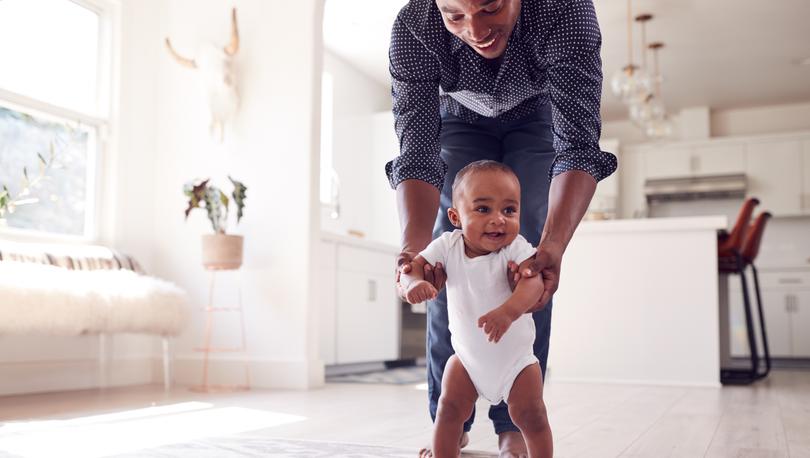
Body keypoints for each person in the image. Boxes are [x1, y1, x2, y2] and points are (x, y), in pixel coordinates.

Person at [385, 0, 617, 456]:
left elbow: (577, 144)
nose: (475, 29)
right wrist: (412, 257)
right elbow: (417, 154)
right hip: (457, 120)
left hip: (538, 115)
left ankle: (514, 421)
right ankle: (450, 418)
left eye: (489, 8)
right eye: (455, 15)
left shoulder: (564, 11)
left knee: (526, 254)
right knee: (446, 258)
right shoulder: (414, 27)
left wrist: (552, 246)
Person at [401, 160, 552, 458]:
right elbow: (412, 266)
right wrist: (411, 284)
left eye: (509, 210)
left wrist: (508, 311)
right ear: (456, 217)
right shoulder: (447, 245)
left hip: (516, 362)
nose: (498, 220)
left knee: (531, 417)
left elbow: (533, 285)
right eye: (483, 209)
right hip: (467, 360)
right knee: (448, 411)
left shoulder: (517, 248)